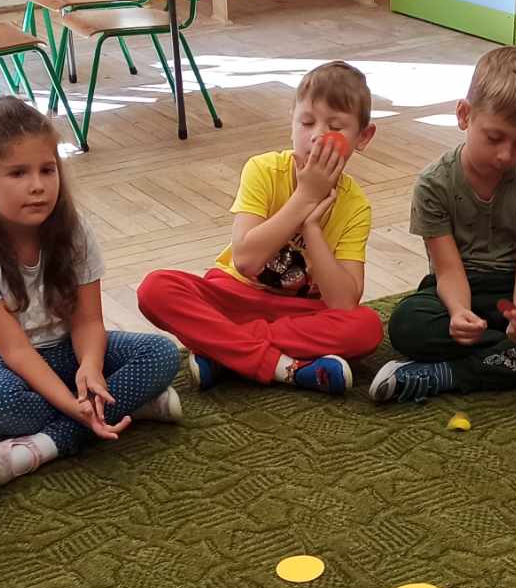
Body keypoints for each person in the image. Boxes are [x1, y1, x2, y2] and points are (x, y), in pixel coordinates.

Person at [0, 97, 182, 486]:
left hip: (67, 350)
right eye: (18, 173)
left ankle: (47, 444)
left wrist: (91, 367)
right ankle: (126, 406)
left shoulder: (74, 231)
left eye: (47, 169)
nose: (38, 186)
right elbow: (16, 351)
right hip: (1, 363)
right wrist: (74, 405)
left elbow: (88, 321)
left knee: (161, 353)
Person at [370, 46, 516, 403]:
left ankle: (447, 375)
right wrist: (459, 313)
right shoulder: (433, 184)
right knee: (407, 324)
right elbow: (448, 271)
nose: (505, 155)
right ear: (464, 115)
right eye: (494, 138)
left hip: (515, 291)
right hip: (456, 292)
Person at [137, 61, 384, 394]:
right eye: (306, 122)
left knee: (366, 327)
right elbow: (246, 261)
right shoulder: (263, 170)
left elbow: (343, 303)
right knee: (155, 288)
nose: (316, 136)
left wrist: (312, 228)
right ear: (292, 122)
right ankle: (285, 367)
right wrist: (304, 198)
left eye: (335, 126)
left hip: (297, 314)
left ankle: (223, 349)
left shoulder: (355, 205)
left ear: (363, 137)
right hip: (233, 296)